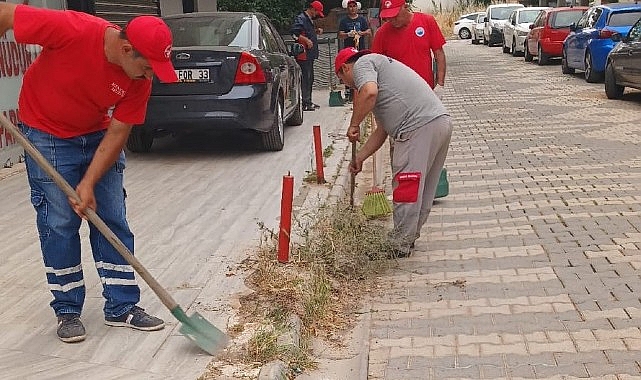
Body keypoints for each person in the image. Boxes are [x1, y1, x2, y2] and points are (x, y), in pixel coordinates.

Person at [0, 3, 178, 343]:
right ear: (127, 49)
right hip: (46, 132)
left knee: (111, 216)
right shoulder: (73, 28)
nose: (150, 74)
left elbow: (117, 133)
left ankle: (122, 307)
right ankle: (67, 309)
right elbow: (5, 13)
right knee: (60, 223)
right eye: (148, 66)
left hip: (96, 133)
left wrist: (89, 182)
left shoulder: (139, 79)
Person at [335, 47, 452, 257]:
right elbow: (382, 130)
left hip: (417, 128)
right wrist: (360, 157)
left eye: (344, 81)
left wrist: (354, 124)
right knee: (423, 189)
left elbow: (368, 92)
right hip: (439, 122)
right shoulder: (381, 71)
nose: (350, 86)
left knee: (406, 186)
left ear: (344, 68)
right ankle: (408, 237)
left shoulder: (363, 65)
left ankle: (399, 245)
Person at [371, 0, 446, 94]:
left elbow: (439, 53)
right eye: (388, 17)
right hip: (397, 94)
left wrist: (440, 85)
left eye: (395, 16)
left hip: (425, 90)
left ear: (405, 7)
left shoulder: (427, 21)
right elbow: (375, 65)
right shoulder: (381, 33)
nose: (392, 20)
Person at [290, 0, 324, 111]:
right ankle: (305, 102)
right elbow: (295, 33)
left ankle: (308, 101)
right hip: (303, 55)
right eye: (317, 13)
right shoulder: (301, 19)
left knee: (310, 78)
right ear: (312, 9)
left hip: (309, 54)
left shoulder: (308, 20)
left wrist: (315, 31)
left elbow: (305, 31)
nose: (317, 15)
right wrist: (306, 40)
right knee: (306, 78)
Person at [338, 0, 371, 101]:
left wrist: (362, 33)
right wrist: (348, 34)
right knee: (348, 70)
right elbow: (339, 35)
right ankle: (349, 93)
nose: (352, 8)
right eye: (350, 6)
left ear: (357, 8)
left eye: (354, 6)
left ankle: (361, 91)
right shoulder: (344, 21)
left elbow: (369, 31)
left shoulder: (362, 20)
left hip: (359, 49)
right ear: (347, 8)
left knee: (360, 69)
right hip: (348, 51)